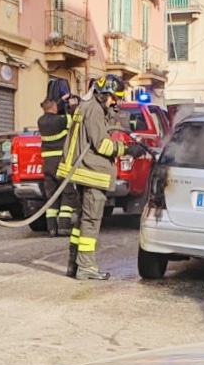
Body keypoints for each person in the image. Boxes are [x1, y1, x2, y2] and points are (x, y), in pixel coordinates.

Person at [57, 74, 148, 280]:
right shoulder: (95, 110)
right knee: (91, 220)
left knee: (82, 220)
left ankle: (75, 264)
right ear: (105, 93)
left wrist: (112, 112)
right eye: (114, 98)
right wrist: (128, 150)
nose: (115, 102)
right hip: (92, 172)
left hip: (84, 170)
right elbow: (103, 145)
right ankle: (86, 266)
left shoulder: (88, 106)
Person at [37, 99, 78, 236]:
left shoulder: (41, 121)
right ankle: (64, 226)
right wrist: (72, 105)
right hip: (61, 161)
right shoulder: (60, 120)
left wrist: (60, 101)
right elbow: (73, 118)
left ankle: (52, 228)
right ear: (54, 108)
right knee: (67, 192)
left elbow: (53, 112)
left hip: (47, 163)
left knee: (51, 195)